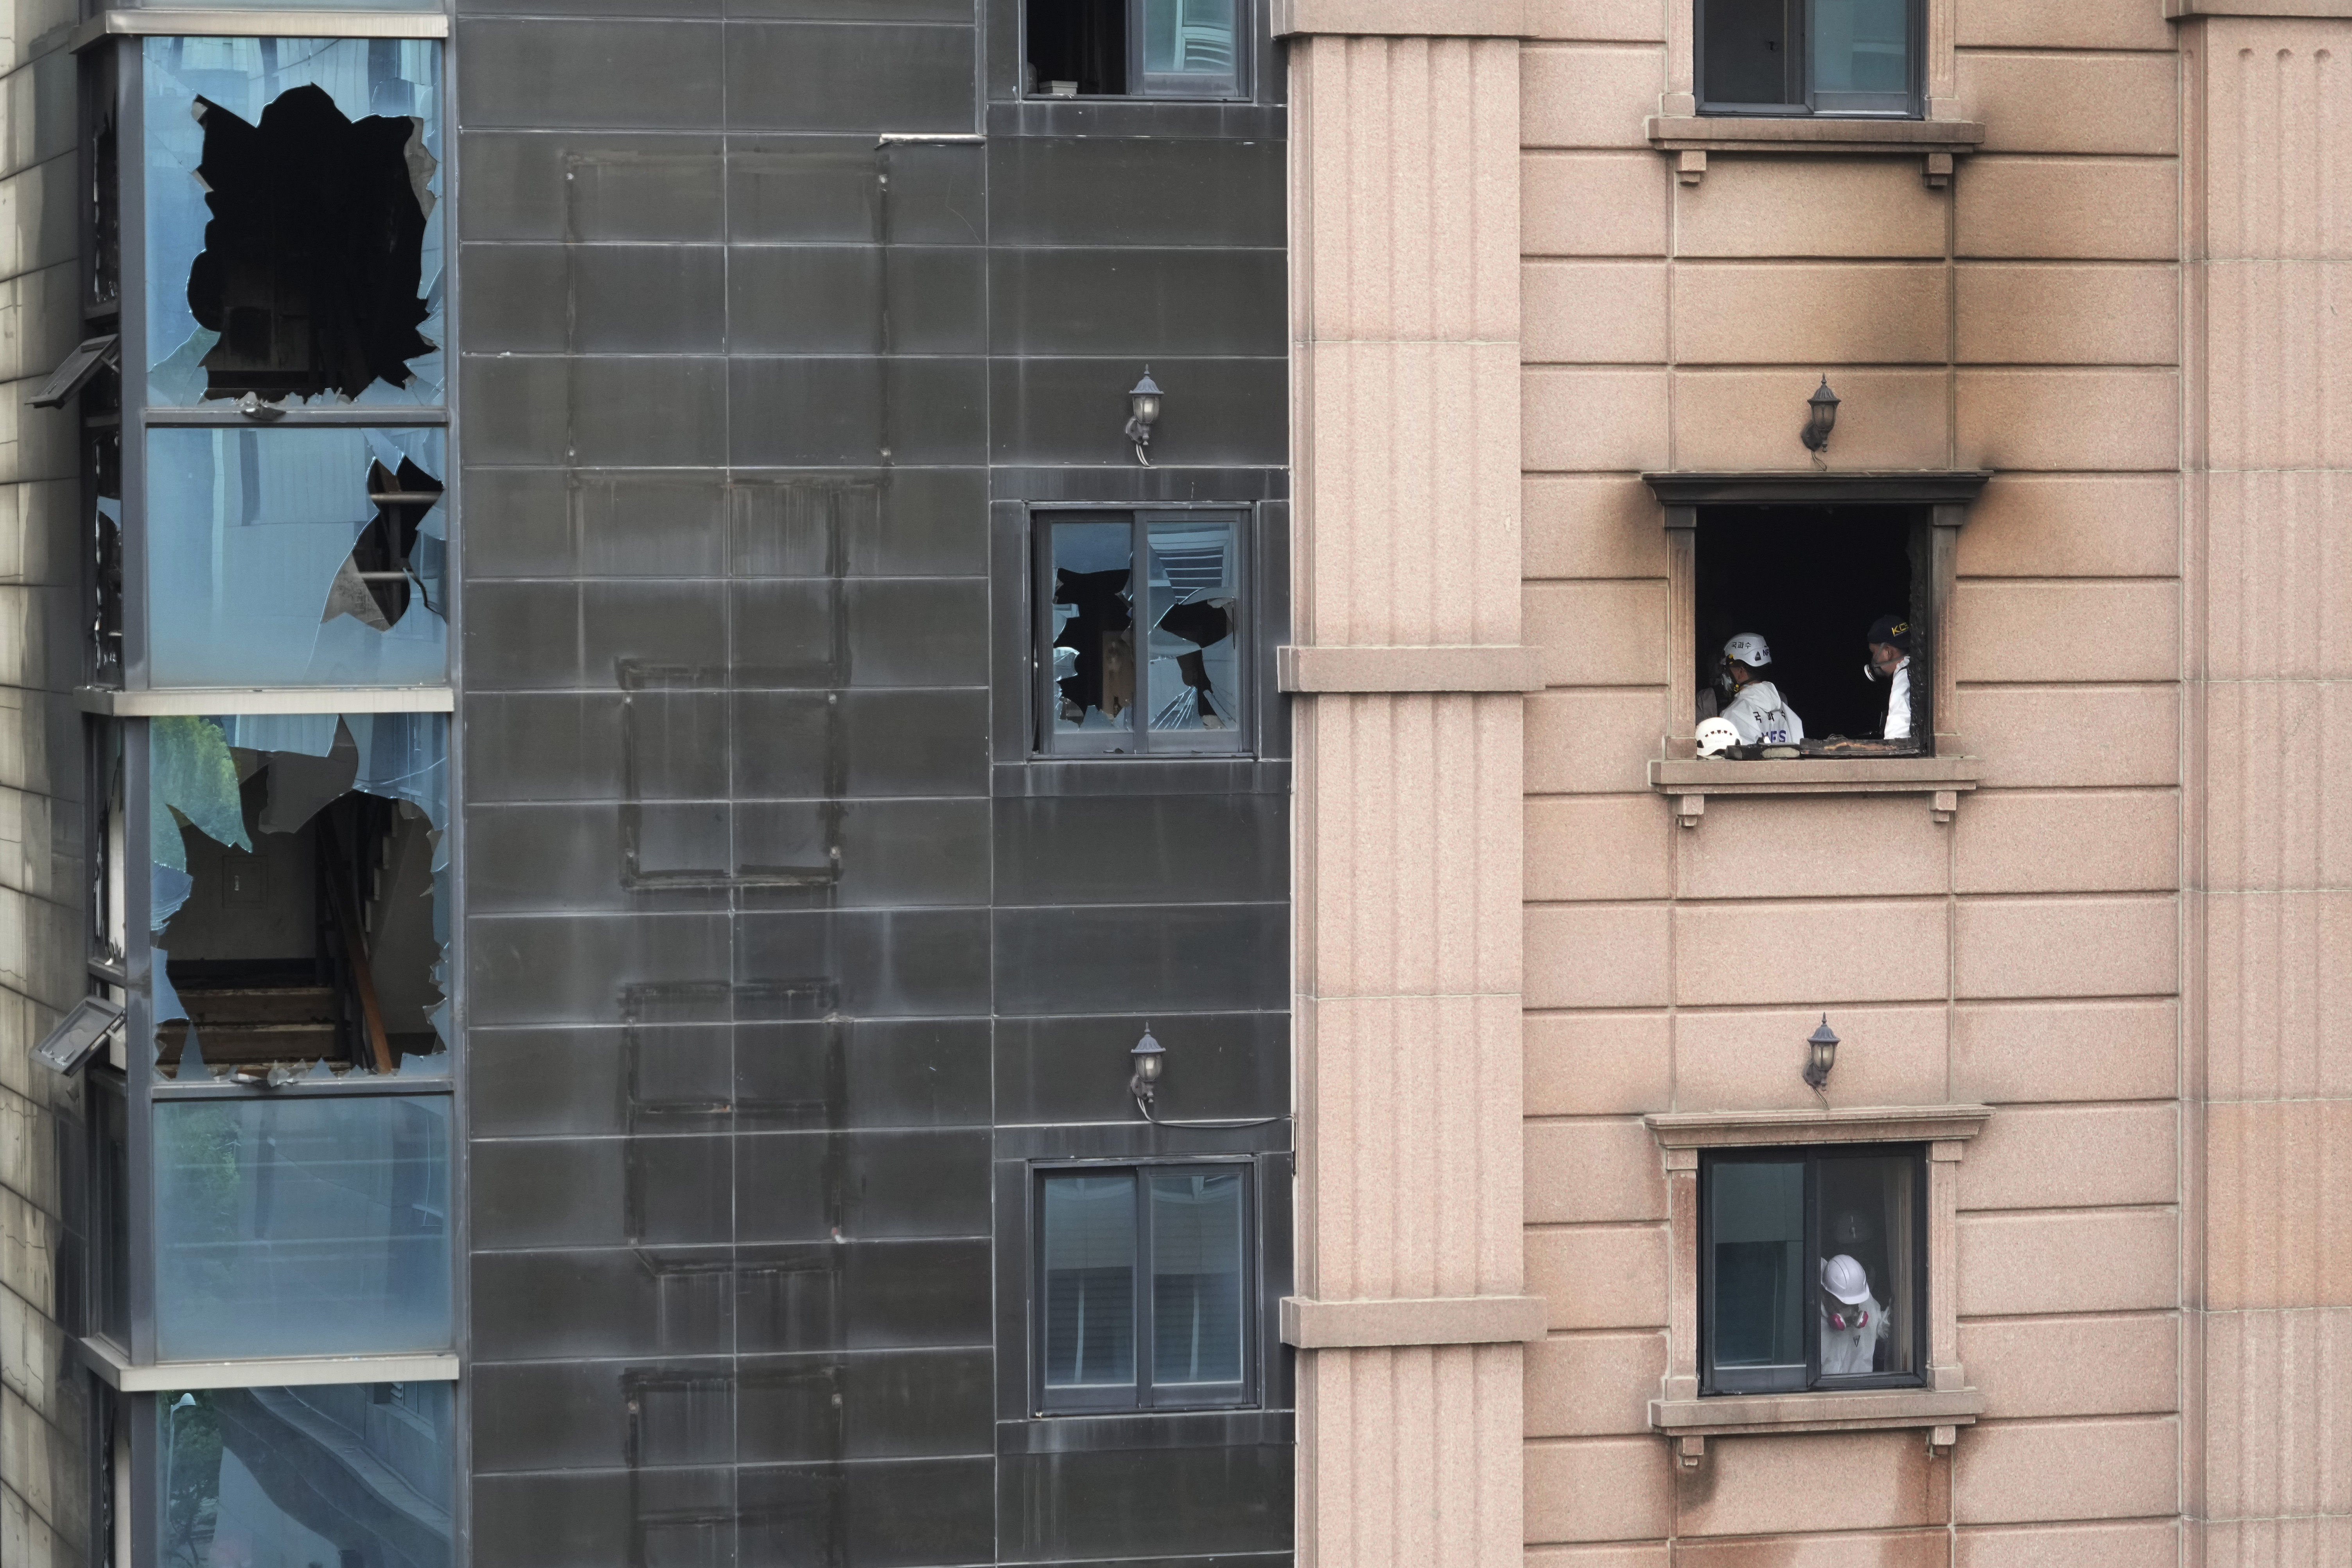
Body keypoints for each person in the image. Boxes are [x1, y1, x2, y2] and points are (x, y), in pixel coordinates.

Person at [1718, 633, 1804, 746]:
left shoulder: (1733, 714)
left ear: (1741, 671)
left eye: (1726, 669)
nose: (1724, 674)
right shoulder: (1786, 710)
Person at [1820, 1253, 1891, 1375]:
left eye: (1855, 1304)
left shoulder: (1864, 1301)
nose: (1851, 1311)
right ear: (1825, 1295)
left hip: (1858, 1389)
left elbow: (1881, 1326)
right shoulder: (1808, 1318)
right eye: (1844, 1304)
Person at [1864, 614, 1912, 740]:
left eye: (1873, 652)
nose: (1873, 659)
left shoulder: (1904, 678)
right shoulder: (1916, 668)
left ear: (1888, 652)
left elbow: (1897, 736)